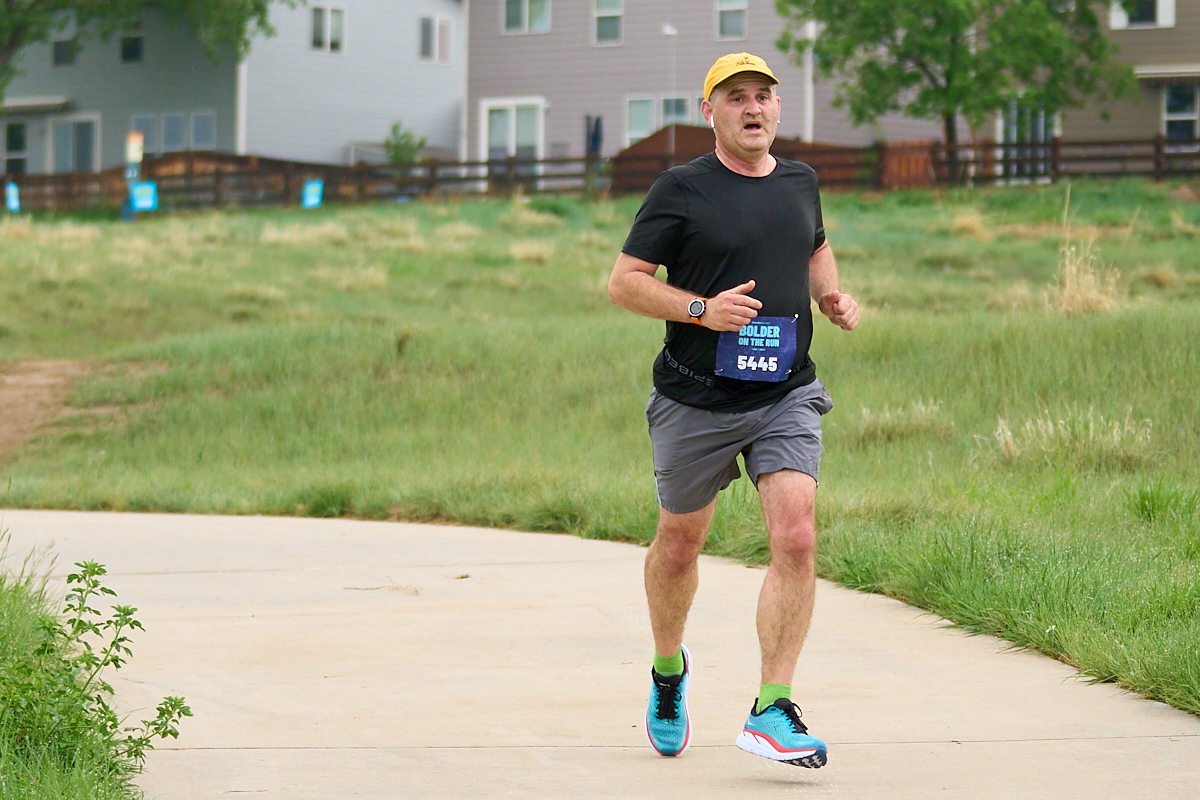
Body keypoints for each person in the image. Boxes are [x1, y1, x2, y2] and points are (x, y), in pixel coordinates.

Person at [607, 52, 859, 769]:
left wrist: (830, 295)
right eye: (737, 97)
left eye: (764, 96)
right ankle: (668, 670)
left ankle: (772, 706)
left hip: (785, 392)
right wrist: (701, 310)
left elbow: (814, 245)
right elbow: (625, 283)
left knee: (797, 536)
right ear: (710, 110)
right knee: (679, 545)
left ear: (777, 108)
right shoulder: (681, 189)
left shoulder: (800, 180)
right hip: (695, 398)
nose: (753, 108)